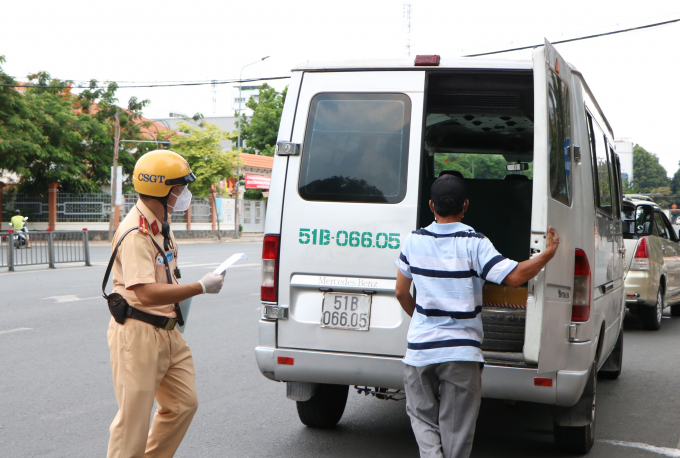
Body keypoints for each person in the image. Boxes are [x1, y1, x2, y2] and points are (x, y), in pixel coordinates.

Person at [395, 174, 560, 458]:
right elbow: (515, 276)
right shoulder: (475, 243)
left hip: (420, 350)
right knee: (456, 429)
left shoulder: (413, 241)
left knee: (421, 418)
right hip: (461, 353)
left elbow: (401, 292)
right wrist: (548, 253)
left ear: (431, 205)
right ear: (466, 205)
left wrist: (424, 321)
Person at [106, 150, 226, 458]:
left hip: (169, 330)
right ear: (163, 189)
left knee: (183, 405)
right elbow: (144, 292)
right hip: (139, 331)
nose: (184, 193)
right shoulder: (136, 233)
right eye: (180, 187)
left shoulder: (161, 222)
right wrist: (200, 287)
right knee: (132, 423)